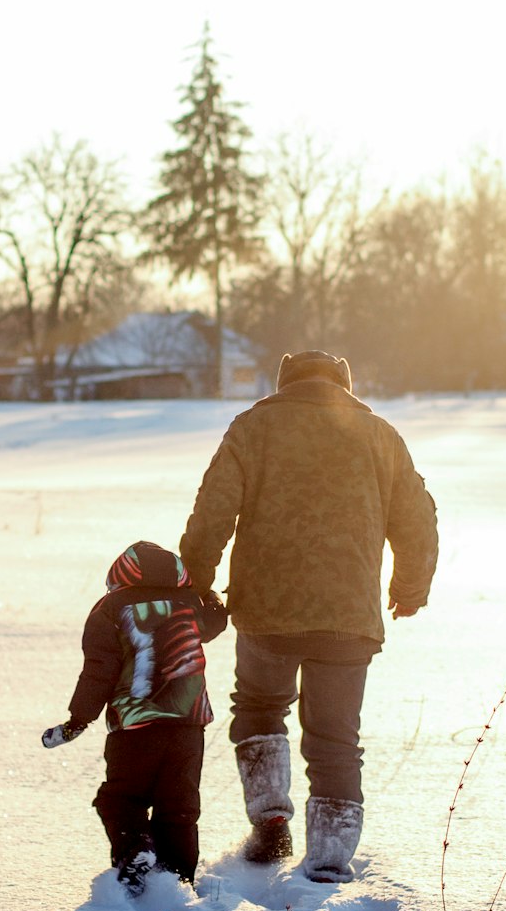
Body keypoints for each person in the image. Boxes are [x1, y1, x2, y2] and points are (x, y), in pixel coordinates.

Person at [179, 350, 438, 883]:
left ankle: (270, 818)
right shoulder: (380, 435)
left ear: (283, 381)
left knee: (258, 706)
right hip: (349, 617)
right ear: (344, 382)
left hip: (267, 610)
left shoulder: (253, 427)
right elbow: (419, 521)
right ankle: (328, 858)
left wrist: (196, 582)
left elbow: (213, 509)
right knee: (336, 737)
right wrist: (409, 587)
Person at [42, 540, 226, 895]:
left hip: (134, 727)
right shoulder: (189, 603)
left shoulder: (109, 609)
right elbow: (215, 623)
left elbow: (99, 671)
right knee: (179, 807)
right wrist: (215, 599)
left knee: (121, 799)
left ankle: (135, 851)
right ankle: (179, 880)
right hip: (188, 725)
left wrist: (78, 720)